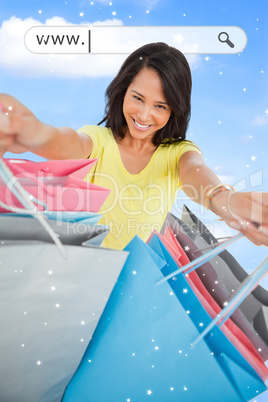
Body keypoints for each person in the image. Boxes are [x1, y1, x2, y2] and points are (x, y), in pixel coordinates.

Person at [0, 42, 267, 249]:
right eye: (138, 98)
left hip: (138, 283)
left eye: (160, 106)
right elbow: (65, 143)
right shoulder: (97, 140)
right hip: (84, 274)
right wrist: (33, 133)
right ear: (123, 90)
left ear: (175, 110)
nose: (143, 115)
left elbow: (195, 173)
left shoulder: (178, 153)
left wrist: (223, 198)